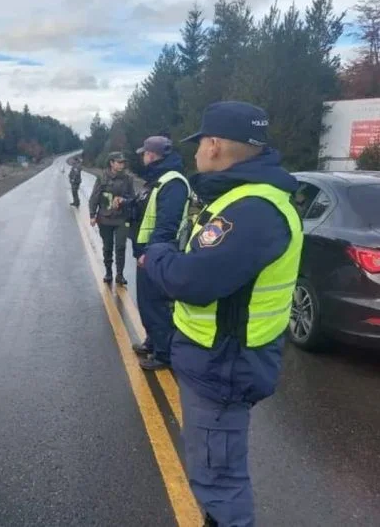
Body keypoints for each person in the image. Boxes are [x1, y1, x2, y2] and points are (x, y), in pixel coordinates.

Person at [140, 101, 303, 526]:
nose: (194, 153)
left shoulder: (253, 210)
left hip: (223, 365)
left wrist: (155, 256)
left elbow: (194, 280)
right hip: (216, 361)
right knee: (212, 472)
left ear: (214, 145)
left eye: (199, 143)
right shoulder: (242, 198)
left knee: (219, 482)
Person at [125, 136, 190, 371]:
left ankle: (164, 354)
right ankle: (153, 341)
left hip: (159, 255)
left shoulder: (173, 183)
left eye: (144, 153)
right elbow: (144, 210)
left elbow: (167, 224)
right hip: (147, 253)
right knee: (147, 302)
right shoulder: (156, 180)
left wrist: (151, 254)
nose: (142, 157)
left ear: (152, 155)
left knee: (156, 304)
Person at [88, 151, 135, 285]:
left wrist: (123, 200)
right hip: (105, 218)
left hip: (121, 218)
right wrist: (92, 215)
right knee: (107, 247)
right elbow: (94, 197)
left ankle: (120, 274)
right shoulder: (102, 178)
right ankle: (108, 272)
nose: (122, 165)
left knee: (121, 247)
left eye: (123, 162)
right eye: (119, 162)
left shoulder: (128, 179)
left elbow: (132, 198)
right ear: (112, 163)